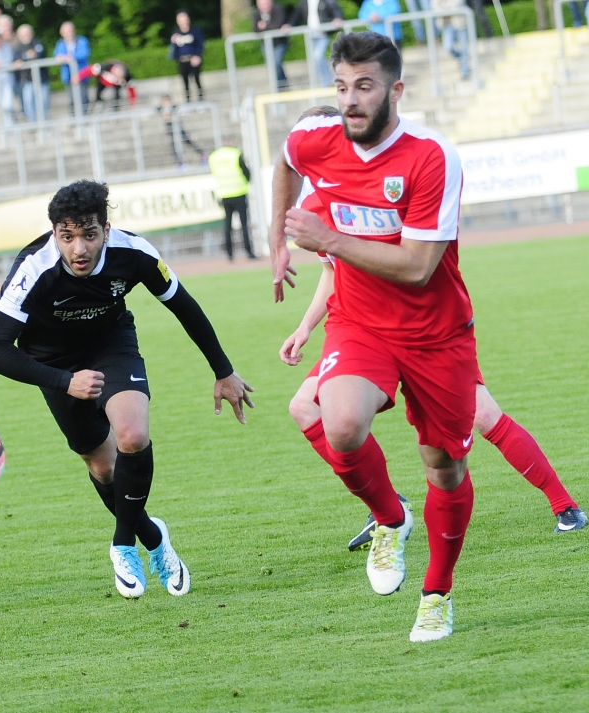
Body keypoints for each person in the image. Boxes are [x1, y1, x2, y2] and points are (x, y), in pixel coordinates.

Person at [276, 107, 586, 552]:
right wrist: (305, 327)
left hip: (425, 328)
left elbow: (420, 259)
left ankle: (565, 506)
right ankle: (387, 507)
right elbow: (333, 271)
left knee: (482, 415)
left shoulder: (381, 180)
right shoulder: (312, 207)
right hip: (363, 330)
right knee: (305, 406)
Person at [269, 32, 478, 642]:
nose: (350, 100)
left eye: (364, 86)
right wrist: (278, 240)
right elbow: (284, 159)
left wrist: (327, 240)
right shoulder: (317, 139)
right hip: (360, 323)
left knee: (445, 467)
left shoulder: (431, 156)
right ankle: (391, 518)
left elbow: (417, 266)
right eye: (341, 86)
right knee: (338, 423)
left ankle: (437, 593)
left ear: (395, 90)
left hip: (436, 335)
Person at [0, 179, 253, 599]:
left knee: (133, 436)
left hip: (111, 346)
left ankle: (123, 544)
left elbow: (184, 306)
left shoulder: (134, 253)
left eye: (89, 234)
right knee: (104, 469)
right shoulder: (33, 269)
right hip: (53, 364)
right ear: (54, 234)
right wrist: (65, 381)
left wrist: (223, 371)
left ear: (106, 229)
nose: (79, 248)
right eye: (67, 237)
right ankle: (154, 538)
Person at [208, 139, 256, 261]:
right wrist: (246, 183)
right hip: (239, 192)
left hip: (225, 194)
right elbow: (246, 172)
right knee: (244, 224)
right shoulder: (236, 154)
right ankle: (249, 251)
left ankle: (229, 253)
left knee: (227, 225)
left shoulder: (214, 157)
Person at [288, 0, 345, 87]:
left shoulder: (326, 1)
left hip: (323, 34)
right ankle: (324, 81)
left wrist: (338, 18)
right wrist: (289, 25)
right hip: (310, 35)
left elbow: (335, 10)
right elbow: (296, 16)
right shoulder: (303, 3)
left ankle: (328, 81)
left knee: (317, 56)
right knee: (314, 60)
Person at [15, 24, 51, 122]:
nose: (25, 36)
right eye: (23, 35)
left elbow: (40, 54)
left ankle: (44, 122)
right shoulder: (18, 47)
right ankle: (33, 123)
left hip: (42, 79)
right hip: (27, 80)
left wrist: (27, 57)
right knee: (28, 102)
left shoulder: (38, 43)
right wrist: (26, 57)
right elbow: (16, 59)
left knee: (44, 101)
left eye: (27, 34)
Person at [252, 0, 291, 89]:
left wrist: (264, 26)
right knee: (272, 65)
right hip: (266, 44)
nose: (265, 6)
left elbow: (278, 25)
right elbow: (255, 29)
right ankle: (283, 83)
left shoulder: (278, 9)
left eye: (267, 3)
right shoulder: (256, 13)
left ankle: (280, 87)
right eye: (263, 4)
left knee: (276, 63)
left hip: (279, 42)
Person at [54, 21, 92, 112]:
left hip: (82, 74)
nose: (69, 33)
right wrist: (63, 58)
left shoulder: (82, 41)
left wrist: (70, 57)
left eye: (71, 31)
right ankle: (74, 116)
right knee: (72, 98)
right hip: (68, 76)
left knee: (83, 97)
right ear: (62, 33)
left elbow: (84, 53)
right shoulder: (60, 44)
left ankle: (84, 116)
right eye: (67, 32)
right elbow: (58, 56)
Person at [159, 95, 206, 167]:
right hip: (171, 132)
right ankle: (180, 163)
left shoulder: (174, 107)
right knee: (173, 148)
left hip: (179, 131)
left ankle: (202, 154)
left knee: (188, 142)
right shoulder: (162, 109)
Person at [170, 10, 205, 102]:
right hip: (182, 61)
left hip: (193, 59)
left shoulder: (194, 31)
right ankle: (188, 101)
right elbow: (174, 50)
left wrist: (197, 56)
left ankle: (201, 100)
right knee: (185, 82)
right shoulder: (176, 33)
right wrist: (173, 42)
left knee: (197, 80)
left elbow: (200, 45)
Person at [432, 0, 471, 79]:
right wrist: (448, 7)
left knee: (464, 48)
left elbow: (458, 3)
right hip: (447, 24)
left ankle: (465, 72)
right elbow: (434, 8)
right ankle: (462, 58)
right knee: (448, 47)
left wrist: (443, 7)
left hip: (460, 22)